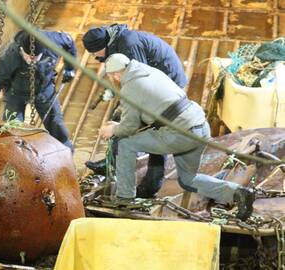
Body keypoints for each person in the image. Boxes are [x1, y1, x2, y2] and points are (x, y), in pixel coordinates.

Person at [99, 53, 255, 221]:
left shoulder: (129, 88)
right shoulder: (149, 71)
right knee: (188, 180)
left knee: (125, 144)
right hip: (199, 127)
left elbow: (128, 128)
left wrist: (113, 130)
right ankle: (238, 193)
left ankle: (124, 198)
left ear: (115, 75)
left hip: (179, 134)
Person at [82, 23, 187, 198]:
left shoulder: (129, 46)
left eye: (95, 54)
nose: (94, 57)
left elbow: (140, 81)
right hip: (156, 81)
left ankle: (151, 185)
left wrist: (127, 111)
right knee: (122, 119)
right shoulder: (115, 41)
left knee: (155, 130)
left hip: (168, 85)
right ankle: (112, 163)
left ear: (103, 47)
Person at [0, 29, 76, 151]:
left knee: (55, 122)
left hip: (44, 88)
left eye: (36, 58)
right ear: (22, 50)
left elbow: (70, 43)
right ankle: (14, 154)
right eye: (28, 57)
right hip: (15, 91)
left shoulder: (54, 42)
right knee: (12, 127)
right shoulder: (9, 57)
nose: (32, 61)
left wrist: (70, 68)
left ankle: (65, 150)